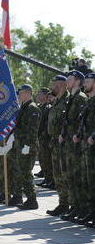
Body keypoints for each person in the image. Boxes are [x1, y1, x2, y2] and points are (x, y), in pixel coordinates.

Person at [59, 70, 87, 222]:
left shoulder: (81, 99)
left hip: (76, 144)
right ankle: (74, 207)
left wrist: (77, 137)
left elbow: (82, 122)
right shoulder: (71, 98)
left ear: (77, 81)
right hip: (69, 143)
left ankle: (81, 208)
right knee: (70, 177)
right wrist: (63, 134)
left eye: (69, 79)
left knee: (77, 178)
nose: (67, 82)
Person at [10, 84, 40, 209]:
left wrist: (27, 145)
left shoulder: (32, 108)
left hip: (28, 145)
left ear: (28, 93)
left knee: (26, 172)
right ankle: (17, 196)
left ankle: (32, 199)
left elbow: (33, 130)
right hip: (20, 144)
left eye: (21, 93)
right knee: (18, 171)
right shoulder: (23, 107)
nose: (19, 95)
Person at [73, 73, 95, 227]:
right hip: (86, 147)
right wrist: (78, 135)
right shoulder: (89, 101)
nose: (85, 84)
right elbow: (84, 122)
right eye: (85, 81)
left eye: (88, 81)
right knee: (88, 181)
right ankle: (90, 211)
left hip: (92, 145)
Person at [47, 75, 70, 217]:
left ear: (61, 85)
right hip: (54, 143)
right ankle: (63, 204)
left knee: (66, 175)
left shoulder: (68, 101)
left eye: (54, 84)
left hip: (64, 143)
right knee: (58, 176)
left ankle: (71, 204)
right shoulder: (56, 102)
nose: (52, 87)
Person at [36, 87, 54, 189]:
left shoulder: (47, 108)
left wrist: (43, 135)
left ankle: (51, 180)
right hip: (40, 137)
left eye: (40, 94)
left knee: (47, 159)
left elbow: (46, 124)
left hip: (45, 138)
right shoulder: (40, 107)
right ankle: (47, 179)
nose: (38, 96)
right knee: (42, 160)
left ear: (45, 95)